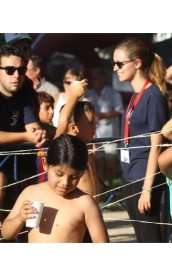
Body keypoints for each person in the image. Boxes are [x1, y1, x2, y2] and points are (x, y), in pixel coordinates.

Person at [1, 134, 109, 243]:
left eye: (74, 177)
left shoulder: (85, 203)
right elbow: (6, 234)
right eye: (59, 174)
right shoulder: (31, 193)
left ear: (82, 173)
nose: (65, 183)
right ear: (45, 164)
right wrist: (20, 218)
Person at [113, 37, 169, 242]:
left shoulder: (153, 95)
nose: (115, 68)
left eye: (119, 63)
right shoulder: (136, 94)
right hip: (131, 174)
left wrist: (147, 189)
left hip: (145, 177)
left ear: (137, 63)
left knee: (150, 240)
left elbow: (157, 145)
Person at [0, 45, 46, 223]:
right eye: (9, 70)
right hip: (5, 168)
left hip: (22, 167)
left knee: (30, 223)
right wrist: (25, 137)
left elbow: (33, 128)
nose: (16, 76)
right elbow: (27, 134)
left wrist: (37, 135)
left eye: (21, 70)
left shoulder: (25, 92)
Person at [85, 67, 124, 187]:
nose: (93, 81)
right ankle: (103, 189)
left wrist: (103, 115)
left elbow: (120, 110)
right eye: (93, 78)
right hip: (95, 135)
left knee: (110, 164)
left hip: (110, 134)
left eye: (96, 78)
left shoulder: (113, 93)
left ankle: (110, 186)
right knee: (98, 164)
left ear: (103, 79)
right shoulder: (89, 94)